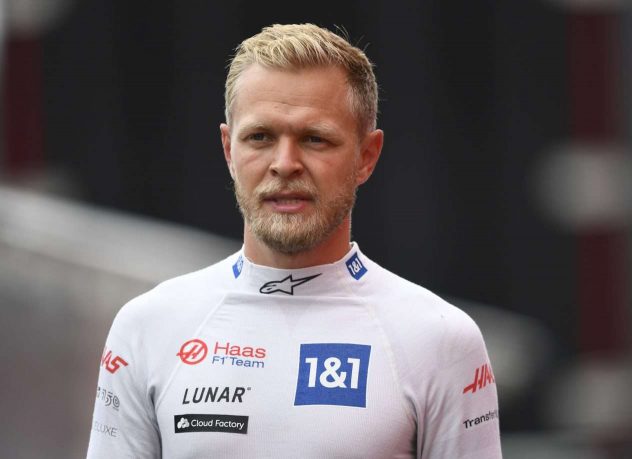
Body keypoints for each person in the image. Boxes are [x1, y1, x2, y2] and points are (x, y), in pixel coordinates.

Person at [87, 23, 502, 458]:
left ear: (366, 157)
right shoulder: (147, 327)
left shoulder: (440, 339)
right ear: (228, 150)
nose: (285, 164)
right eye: (260, 137)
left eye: (314, 139)